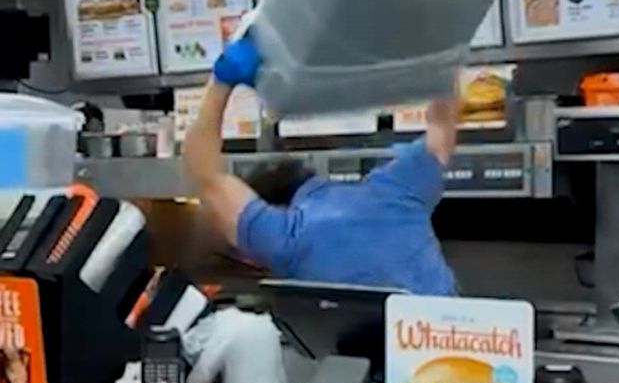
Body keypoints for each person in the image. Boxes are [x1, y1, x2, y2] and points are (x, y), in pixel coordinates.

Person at [181, 45, 459, 295]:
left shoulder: (286, 236)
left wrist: (222, 80)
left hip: (372, 334)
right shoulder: (396, 188)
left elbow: (205, 174)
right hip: (450, 330)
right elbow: (442, 125)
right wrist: (442, 52)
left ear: (277, 208)